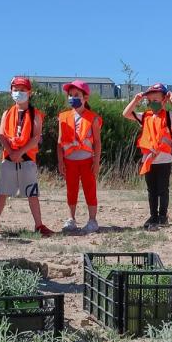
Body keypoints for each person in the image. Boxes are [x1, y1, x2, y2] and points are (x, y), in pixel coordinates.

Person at [0, 76, 55, 236]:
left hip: (27, 158)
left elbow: (36, 138)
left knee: (32, 193)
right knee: (2, 192)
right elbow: (2, 135)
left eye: (22, 90)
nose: (19, 93)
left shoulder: (36, 114)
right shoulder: (7, 113)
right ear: (11, 91)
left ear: (29, 92)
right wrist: (11, 152)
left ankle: (39, 225)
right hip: (9, 158)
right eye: (16, 90)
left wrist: (20, 152)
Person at [123, 83, 172, 228]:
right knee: (151, 190)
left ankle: (163, 216)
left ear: (164, 100)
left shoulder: (169, 116)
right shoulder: (145, 116)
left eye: (156, 100)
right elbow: (125, 114)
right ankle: (153, 216)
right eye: (149, 101)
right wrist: (136, 100)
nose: (152, 103)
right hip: (149, 159)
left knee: (163, 189)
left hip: (164, 159)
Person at [57, 80, 103, 234]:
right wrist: (60, 160)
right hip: (70, 161)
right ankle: (71, 219)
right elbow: (59, 142)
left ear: (85, 97)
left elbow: (97, 142)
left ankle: (92, 220)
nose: (72, 98)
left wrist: (96, 163)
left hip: (87, 161)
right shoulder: (63, 117)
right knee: (71, 190)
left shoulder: (93, 118)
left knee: (90, 189)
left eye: (76, 95)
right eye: (70, 95)